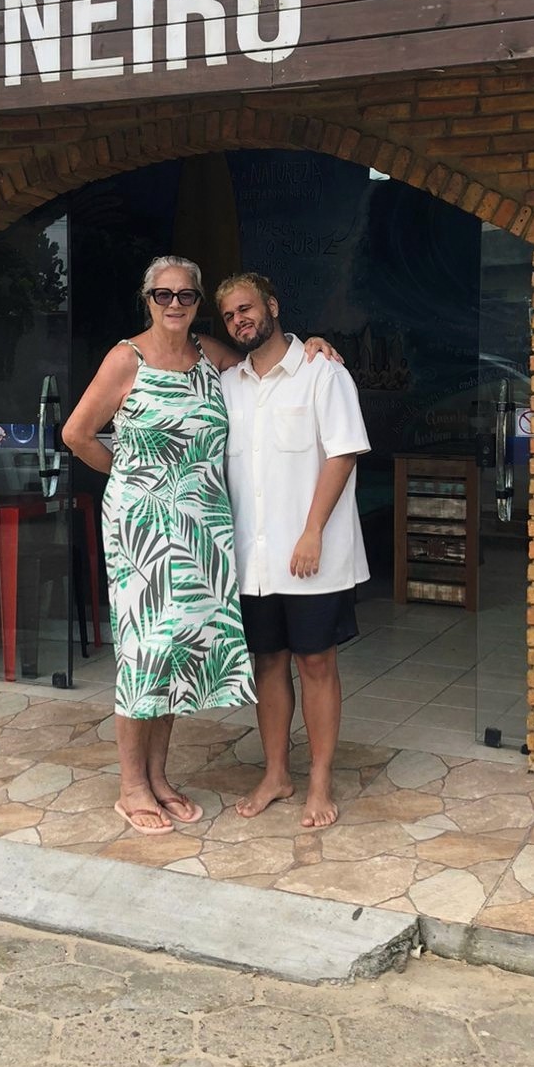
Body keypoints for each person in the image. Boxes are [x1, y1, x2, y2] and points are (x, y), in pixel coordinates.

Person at [63, 256, 336, 835]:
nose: (175, 305)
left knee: (175, 651)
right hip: (143, 529)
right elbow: (77, 434)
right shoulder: (125, 358)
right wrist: (133, 477)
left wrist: (315, 344)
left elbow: (269, 365)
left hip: (203, 530)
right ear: (148, 299)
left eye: (186, 295)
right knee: (143, 652)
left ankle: (159, 778)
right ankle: (131, 786)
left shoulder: (213, 357)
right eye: (164, 295)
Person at [217, 272, 370, 829]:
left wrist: (312, 530)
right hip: (252, 560)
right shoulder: (228, 386)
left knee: (316, 663)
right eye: (231, 314)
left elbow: (343, 453)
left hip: (312, 553)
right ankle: (277, 774)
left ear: (272, 306)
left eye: (248, 308)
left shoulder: (321, 372)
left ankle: (321, 781)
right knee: (269, 663)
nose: (241, 319)